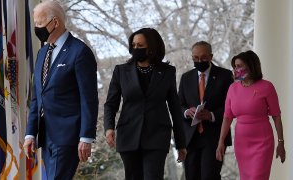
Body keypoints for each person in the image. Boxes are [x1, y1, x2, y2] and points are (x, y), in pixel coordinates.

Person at [23, 1, 98, 179]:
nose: (36, 28)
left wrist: (86, 137)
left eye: (39, 24)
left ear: (55, 22)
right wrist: (30, 133)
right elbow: (37, 97)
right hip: (46, 136)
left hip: (68, 136)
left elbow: (88, 98)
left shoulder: (79, 52)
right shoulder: (42, 53)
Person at [104, 28, 187, 180]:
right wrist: (109, 128)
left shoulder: (167, 71)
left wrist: (181, 143)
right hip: (128, 136)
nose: (136, 49)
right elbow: (110, 104)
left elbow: (175, 108)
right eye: (133, 45)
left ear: (152, 47)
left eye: (140, 45)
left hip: (157, 136)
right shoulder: (121, 71)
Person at [216, 50, 286, 180]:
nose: (236, 70)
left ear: (251, 66)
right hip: (242, 143)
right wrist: (221, 142)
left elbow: (276, 116)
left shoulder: (267, 87)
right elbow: (227, 117)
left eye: (239, 66)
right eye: (235, 66)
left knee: (257, 177)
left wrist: (281, 143)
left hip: (262, 142)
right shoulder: (233, 88)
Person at [178, 41, 233, 180]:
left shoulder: (225, 76)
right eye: (195, 58)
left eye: (203, 57)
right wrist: (186, 112)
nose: (199, 61)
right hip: (190, 138)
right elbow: (179, 105)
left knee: (210, 176)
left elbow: (231, 107)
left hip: (214, 137)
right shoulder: (186, 77)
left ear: (211, 56)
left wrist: (212, 115)